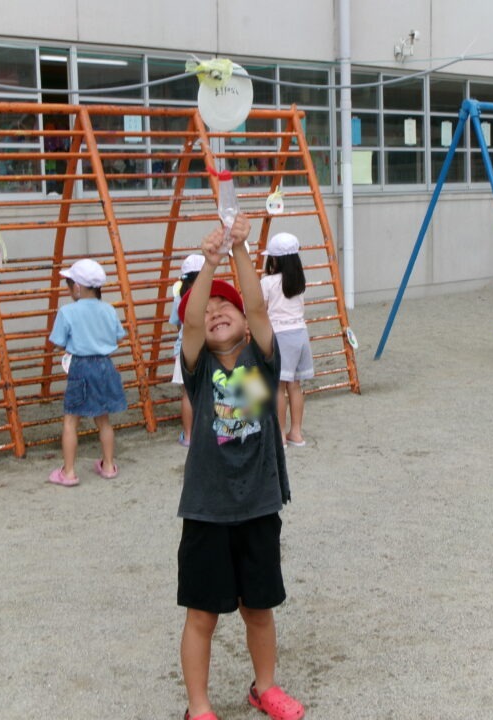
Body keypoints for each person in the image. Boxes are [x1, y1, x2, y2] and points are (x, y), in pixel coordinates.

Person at [175, 215, 304, 720]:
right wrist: (209, 265)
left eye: (224, 306)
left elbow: (257, 305)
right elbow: (191, 324)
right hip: (207, 511)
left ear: (246, 324)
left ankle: (264, 687)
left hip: (258, 505)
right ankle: (199, 706)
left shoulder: (262, 362)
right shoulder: (199, 368)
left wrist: (241, 250)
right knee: (202, 615)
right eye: (207, 310)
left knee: (259, 609)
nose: (215, 313)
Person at [48, 258, 127, 486]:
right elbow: (118, 338)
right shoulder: (109, 309)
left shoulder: (67, 312)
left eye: (69, 284)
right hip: (105, 365)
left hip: (81, 366)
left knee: (71, 419)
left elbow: (58, 342)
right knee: (103, 419)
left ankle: (69, 472)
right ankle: (109, 465)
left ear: (77, 287)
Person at [260, 232, 313, 448]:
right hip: (300, 333)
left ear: (274, 259)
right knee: (295, 386)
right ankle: (296, 433)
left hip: (280, 335)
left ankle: (280, 435)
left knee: (277, 387)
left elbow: (259, 310)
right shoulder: (299, 281)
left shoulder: (268, 282)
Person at [169, 252, 205, 447]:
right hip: (207, 347)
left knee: (187, 393)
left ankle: (189, 435)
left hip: (185, 348)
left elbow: (177, 323)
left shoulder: (180, 297)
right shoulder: (210, 294)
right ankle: (206, 432)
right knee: (208, 391)